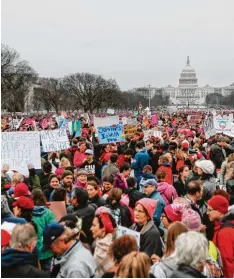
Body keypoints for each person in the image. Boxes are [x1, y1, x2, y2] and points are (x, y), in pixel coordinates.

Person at [207, 195, 234, 277]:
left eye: (210, 210)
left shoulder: (224, 233)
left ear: (219, 211)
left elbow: (226, 262)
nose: (207, 213)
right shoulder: (224, 226)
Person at [31, 189, 56, 271]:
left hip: (32, 249)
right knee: (47, 272)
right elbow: (53, 229)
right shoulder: (48, 213)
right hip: (46, 249)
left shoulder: (28, 212)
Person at [91, 207, 117, 277]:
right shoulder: (99, 242)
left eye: (94, 225)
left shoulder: (110, 249)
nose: (91, 228)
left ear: (103, 228)